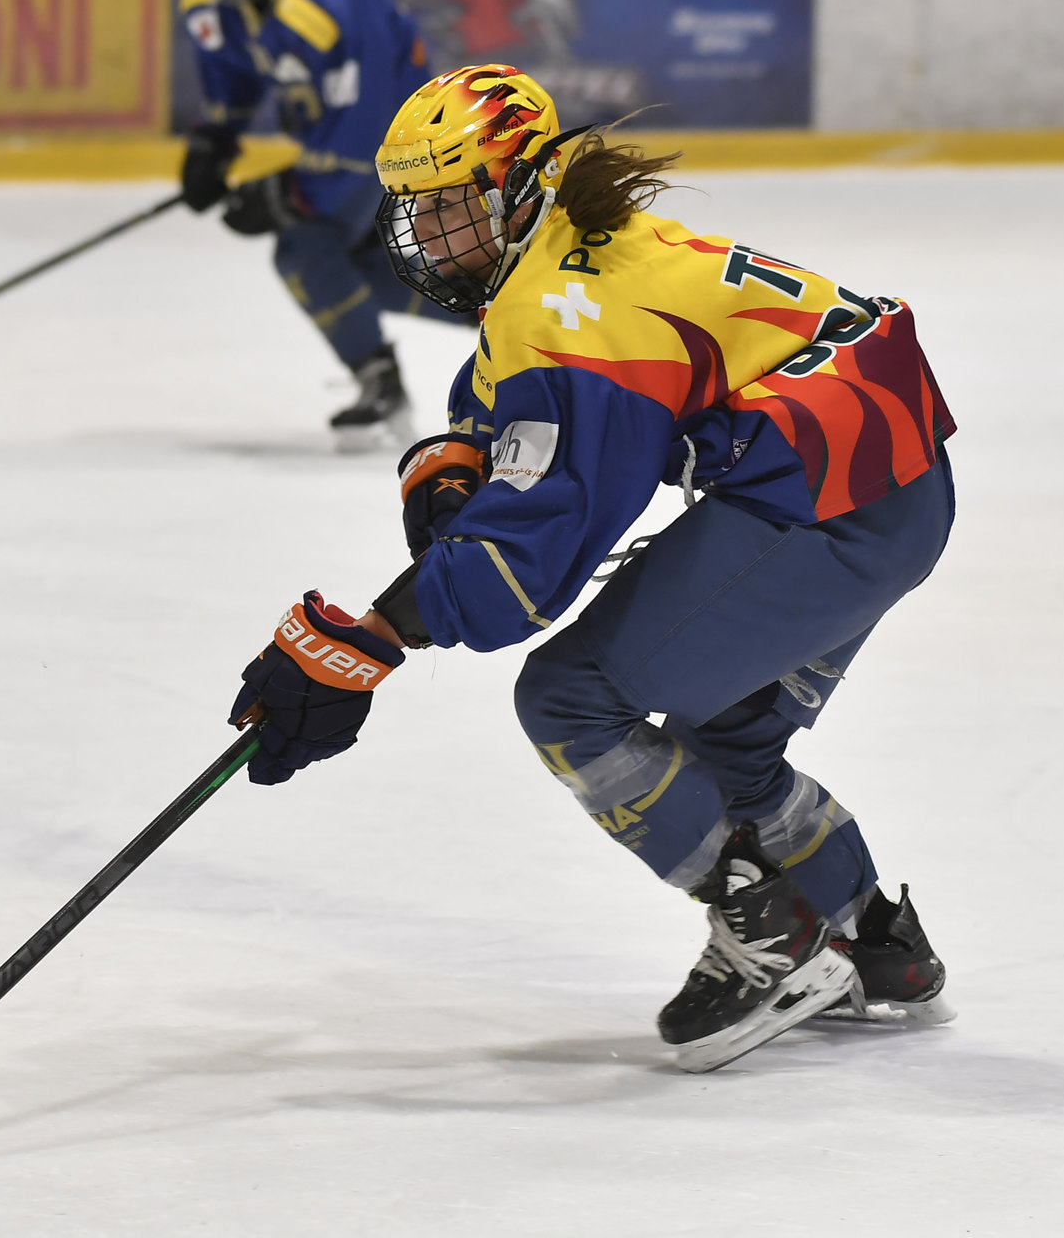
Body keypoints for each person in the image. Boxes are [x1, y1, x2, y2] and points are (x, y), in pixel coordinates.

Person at [229, 64, 958, 1072]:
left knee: (571, 698)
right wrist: (461, 453)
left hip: (824, 515)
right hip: (887, 491)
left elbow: (523, 573)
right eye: (415, 208)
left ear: (517, 184)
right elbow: (522, 385)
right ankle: (874, 943)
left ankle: (772, 937)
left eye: (447, 206)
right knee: (724, 742)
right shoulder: (577, 234)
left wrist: (363, 643)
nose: (426, 234)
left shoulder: (566, 314)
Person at [178, 0, 467, 446]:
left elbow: (366, 134)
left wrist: (291, 194)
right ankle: (494, 313)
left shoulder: (330, 6)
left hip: (401, 145)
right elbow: (234, 72)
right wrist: (217, 136)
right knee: (360, 270)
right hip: (346, 143)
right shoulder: (211, 4)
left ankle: (387, 374)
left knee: (306, 248)